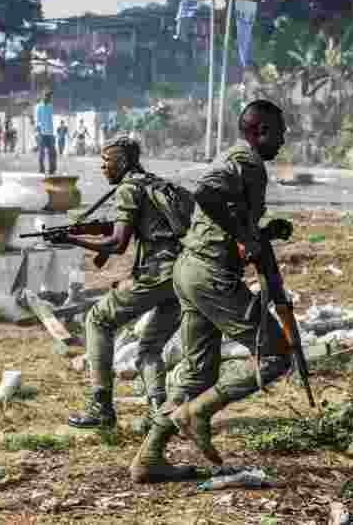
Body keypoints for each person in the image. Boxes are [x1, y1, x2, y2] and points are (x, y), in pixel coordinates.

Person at [130, 99, 293, 483]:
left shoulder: (239, 160)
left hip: (191, 270)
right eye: (279, 135)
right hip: (211, 275)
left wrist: (262, 233)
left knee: (198, 375)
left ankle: (149, 457)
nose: (282, 143)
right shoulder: (247, 161)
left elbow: (222, 218)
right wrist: (244, 236)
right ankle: (198, 412)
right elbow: (206, 194)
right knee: (276, 354)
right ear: (259, 131)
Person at [61, 137, 185, 434]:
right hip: (183, 275)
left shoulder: (129, 188)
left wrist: (71, 238)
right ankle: (161, 415)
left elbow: (117, 243)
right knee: (149, 348)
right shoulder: (153, 183)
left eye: (107, 161)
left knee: (98, 319)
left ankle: (101, 406)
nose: (103, 167)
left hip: (158, 273)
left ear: (125, 162)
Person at [35, 90, 57, 174]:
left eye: (51, 97)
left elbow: (50, 120)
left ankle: (52, 169)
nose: (51, 99)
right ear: (45, 96)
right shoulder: (39, 107)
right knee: (41, 153)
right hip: (42, 133)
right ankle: (41, 169)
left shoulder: (50, 106)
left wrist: (52, 133)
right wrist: (38, 131)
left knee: (53, 152)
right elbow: (38, 120)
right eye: (50, 97)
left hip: (50, 133)